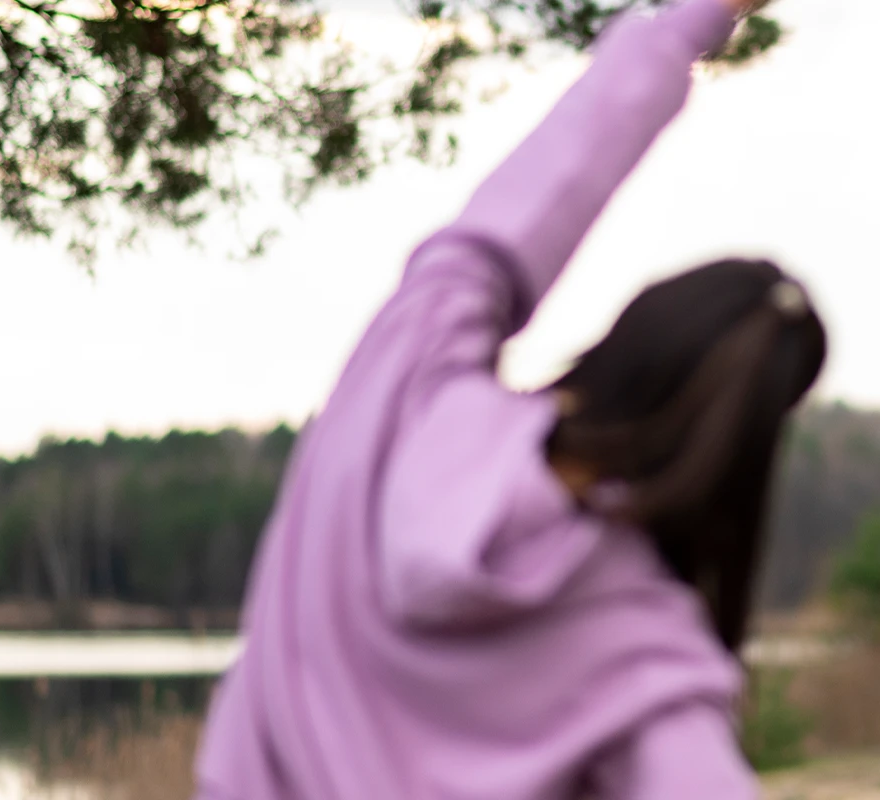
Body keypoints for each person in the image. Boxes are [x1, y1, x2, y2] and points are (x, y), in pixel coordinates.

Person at [192, 0, 824, 797]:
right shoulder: (639, 650)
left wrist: (697, 17)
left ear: (627, 335)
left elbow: (541, 190)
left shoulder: (404, 385)